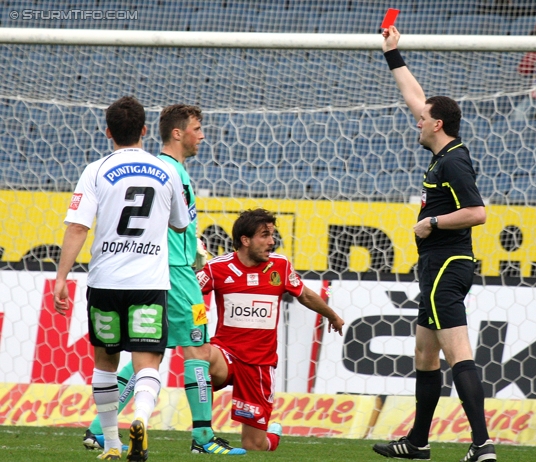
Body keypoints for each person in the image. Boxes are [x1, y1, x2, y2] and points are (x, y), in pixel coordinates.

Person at [81, 105, 246, 456]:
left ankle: (99, 430)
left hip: (156, 273)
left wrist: (195, 246)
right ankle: (203, 437)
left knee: (148, 357)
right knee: (197, 348)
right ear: (177, 133)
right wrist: (190, 257)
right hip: (176, 275)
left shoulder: (163, 168)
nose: (202, 135)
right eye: (197, 129)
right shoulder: (170, 171)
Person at [372, 27, 494, 462]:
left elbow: (478, 213)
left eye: (422, 118)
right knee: (425, 353)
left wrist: (432, 222)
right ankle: (419, 442)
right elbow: (415, 95)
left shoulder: (456, 160)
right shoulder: (443, 153)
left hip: (447, 265)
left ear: (437, 124)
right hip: (435, 268)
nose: (416, 120)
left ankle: (482, 446)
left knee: (459, 355)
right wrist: (393, 54)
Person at [54, 96, 191, 461]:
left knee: (105, 363)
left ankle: (112, 444)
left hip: (105, 282)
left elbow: (78, 228)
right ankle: (142, 419)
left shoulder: (96, 170)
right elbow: (181, 223)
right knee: (148, 363)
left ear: (108, 132)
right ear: (145, 130)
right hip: (149, 283)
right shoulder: (167, 172)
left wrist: (60, 278)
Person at [196, 208, 345, 452]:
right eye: (264, 235)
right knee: (200, 357)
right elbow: (189, 293)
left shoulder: (280, 266)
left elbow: (304, 294)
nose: (271, 241)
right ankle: (201, 436)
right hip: (227, 354)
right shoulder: (217, 268)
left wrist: (333, 316)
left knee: (254, 446)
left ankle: (272, 437)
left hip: (260, 365)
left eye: (272, 235)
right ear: (245, 240)